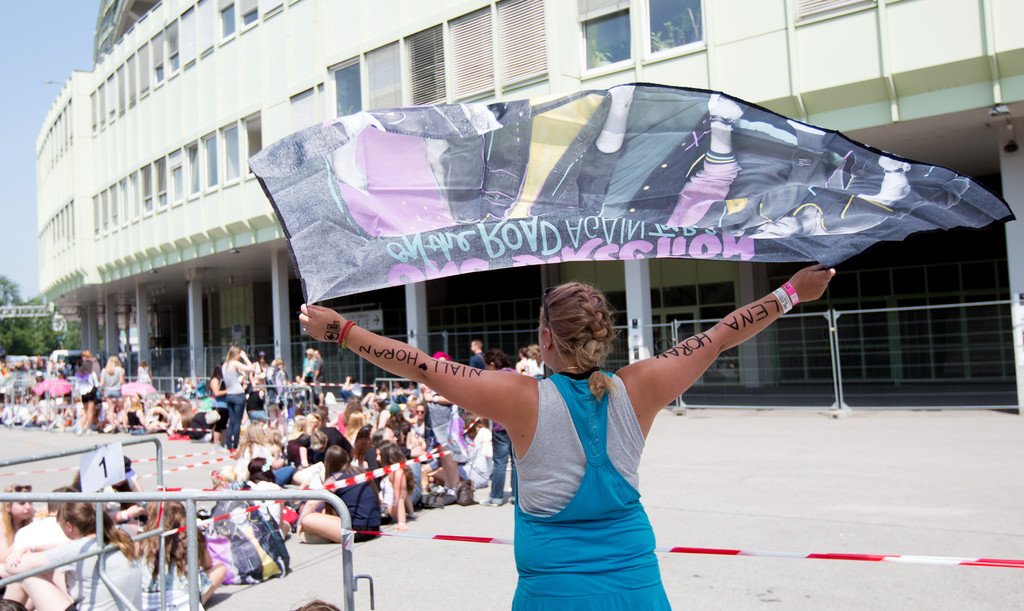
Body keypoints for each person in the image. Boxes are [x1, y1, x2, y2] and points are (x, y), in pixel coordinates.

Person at [300, 264, 834, 609]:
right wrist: (792, 292)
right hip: (637, 591)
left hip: (554, 595)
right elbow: (719, 336)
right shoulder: (640, 387)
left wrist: (340, 330)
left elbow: (420, 364)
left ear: (546, 338)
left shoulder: (520, 398)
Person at [1, 501, 142, 610]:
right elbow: (62, 547)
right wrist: (33, 548)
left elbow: (14, 567)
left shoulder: (75, 549)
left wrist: (21, 556)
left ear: (69, 527)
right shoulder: (116, 538)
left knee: (27, 575)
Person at [139, 501, 226, 610]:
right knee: (220, 568)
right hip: (183, 599)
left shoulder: (140, 538)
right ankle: (197, 601)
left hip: (146, 600)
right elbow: (208, 564)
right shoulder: (191, 536)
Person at [298, 446, 381, 544]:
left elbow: (311, 503)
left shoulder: (334, 479)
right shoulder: (359, 471)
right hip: (374, 527)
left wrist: (299, 524)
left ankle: (324, 535)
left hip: (355, 531)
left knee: (307, 519)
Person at [480, 348, 517, 507]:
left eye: (486, 366)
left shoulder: (494, 378)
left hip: (500, 425)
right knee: (516, 462)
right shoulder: (516, 375)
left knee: (500, 463)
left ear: (492, 364)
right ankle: (516, 496)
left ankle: (496, 497)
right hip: (517, 424)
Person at [222, 346, 256, 451]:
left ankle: (228, 445)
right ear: (236, 354)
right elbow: (252, 368)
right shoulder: (235, 363)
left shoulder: (225, 365)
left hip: (229, 395)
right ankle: (236, 445)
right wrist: (245, 357)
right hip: (238, 394)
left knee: (231, 421)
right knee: (237, 422)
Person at [0, 485, 34, 562]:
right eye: (22, 503)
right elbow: (2, 559)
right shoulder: (1, 524)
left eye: (30, 502)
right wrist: (23, 540)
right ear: (8, 507)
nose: (28, 507)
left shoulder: (34, 521)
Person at [74, 352, 100, 435]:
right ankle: (88, 428)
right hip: (90, 392)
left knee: (85, 411)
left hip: (83, 393)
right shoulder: (92, 374)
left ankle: (81, 428)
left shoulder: (78, 375)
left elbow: (77, 387)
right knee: (90, 411)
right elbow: (97, 385)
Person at [99, 356, 125, 432]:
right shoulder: (120, 370)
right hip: (117, 391)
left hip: (108, 391)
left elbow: (102, 383)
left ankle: (113, 425)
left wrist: (102, 390)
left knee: (110, 409)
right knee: (122, 409)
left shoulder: (104, 370)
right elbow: (121, 381)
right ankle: (125, 426)